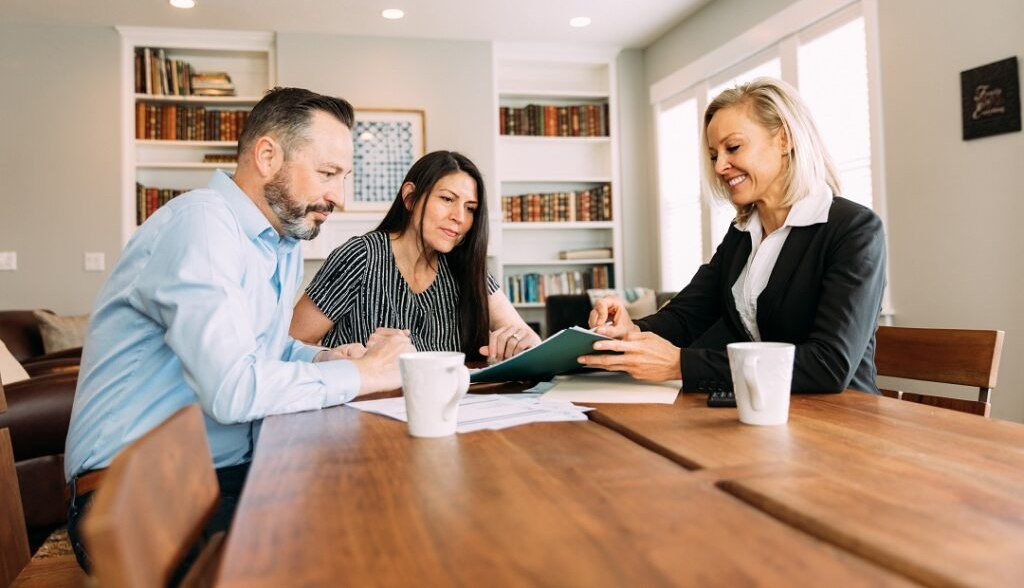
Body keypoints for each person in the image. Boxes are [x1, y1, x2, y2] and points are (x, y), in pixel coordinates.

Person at [64, 87, 414, 573]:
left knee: (378, 514)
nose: (340, 196)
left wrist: (324, 358)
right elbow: (232, 389)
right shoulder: (202, 224)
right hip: (137, 500)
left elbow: (259, 348)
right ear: (267, 155)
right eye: (329, 174)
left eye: (344, 177)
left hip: (221, 475)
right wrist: (369, 375)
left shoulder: (279, 243)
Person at [582, 77, 886, 394]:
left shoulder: (854, 230)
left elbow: (828, 365)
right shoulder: (743, 233)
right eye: (714, 155)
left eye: (734, 147)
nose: (720, 166)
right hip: (766, 411)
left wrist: (680, 365)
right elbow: (687, 316)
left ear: (784, 140)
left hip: (843, 421)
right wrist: (631, 329)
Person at [291, 150, 541, 363]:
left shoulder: (465, 266)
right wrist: (347, 357)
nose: (460, 217)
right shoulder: (360, 256)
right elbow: (293, 343)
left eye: (470, 208)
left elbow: (525, 336)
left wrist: (523, 341)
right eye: (447, 199)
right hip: (362, 409)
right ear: (410, 197)